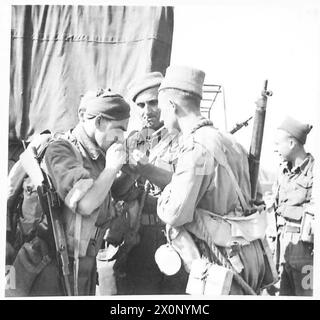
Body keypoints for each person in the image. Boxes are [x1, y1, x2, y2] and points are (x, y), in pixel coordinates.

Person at [156, 65, 270, 295]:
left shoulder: (195, 148)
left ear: (172, 105)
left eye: (161, 109)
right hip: (249, 256)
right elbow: (255, 198)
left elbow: (175, 214)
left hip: (220, 264)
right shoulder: (232, 142)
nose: (160, 117)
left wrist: (165, 191)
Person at [7, 88, 130, 296]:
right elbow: (85, 204)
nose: (121, 137)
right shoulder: (61, 150)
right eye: (119, 128)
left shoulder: (98, 155)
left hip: (82, 269)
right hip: (48, 269)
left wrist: (132, 172)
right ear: (99, 122)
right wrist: (112, 168)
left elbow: (107, 195)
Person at [111, 72, 188, 295]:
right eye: (141, 105)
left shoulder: (184, 139)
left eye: (153, 103)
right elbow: (118, 191)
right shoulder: (134, 139)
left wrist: (147, 169)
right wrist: (133, 172)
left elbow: (185, 187)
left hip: (178, 235)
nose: (147, 111)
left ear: (166, 102)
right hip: (141, 236)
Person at [273, 116, 314, 296]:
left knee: (306, 295)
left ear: (291, 143)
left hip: (304, 251)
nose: (275, 149)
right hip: (282, 248)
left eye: (278, 143)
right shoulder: (282, 172)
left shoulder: (315, 171)